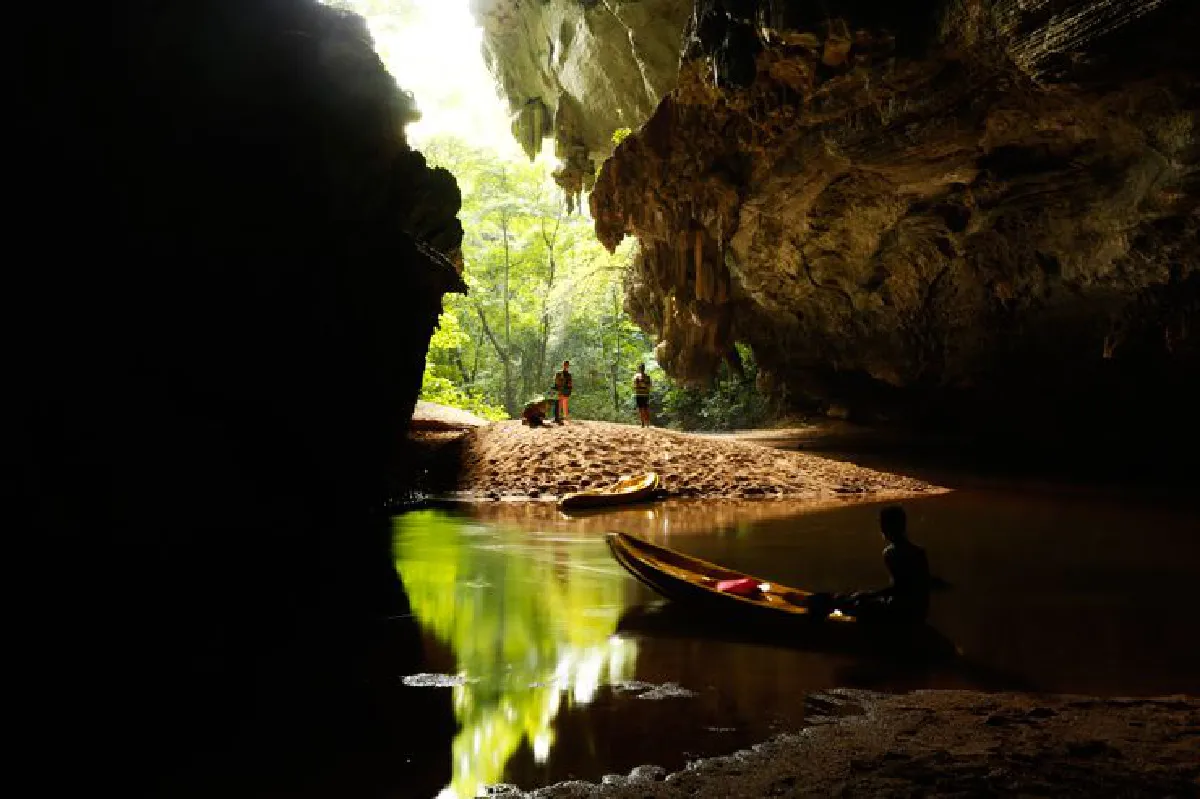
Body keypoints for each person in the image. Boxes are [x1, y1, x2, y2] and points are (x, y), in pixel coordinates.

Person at [806, 505, 932, 624]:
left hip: (899, 613)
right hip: (918, 613)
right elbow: (919, 585)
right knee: (858, 598)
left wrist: (870, 594)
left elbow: (900, 589)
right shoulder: (919, 552)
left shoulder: (892, 553)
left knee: (855, 601)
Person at [632, 363, 652, 427]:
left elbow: (649, 386)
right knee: (641, 408)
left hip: (644, 394)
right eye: (641, 368)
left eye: (642, 368)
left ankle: (647, 422)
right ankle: (643, 423)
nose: (642, 369)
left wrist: (642, 384)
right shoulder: (636, 377)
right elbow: (634, 386)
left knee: (645, 408)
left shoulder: (647, 377)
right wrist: (642, 385)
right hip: (640, 394)